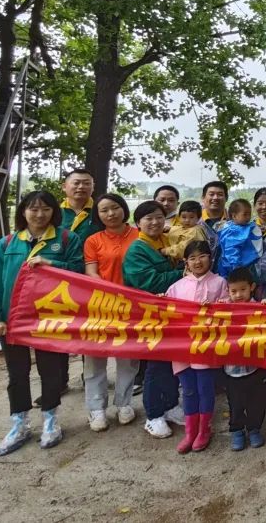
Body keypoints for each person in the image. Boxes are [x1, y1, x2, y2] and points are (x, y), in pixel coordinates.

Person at [0, 191, 84, 456]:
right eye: (33, 209)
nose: (40, 215)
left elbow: (79, 272)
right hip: (13, 319)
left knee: (50, 371)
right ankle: (20, 423)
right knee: (17, 373)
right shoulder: (7, 243)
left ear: (54, 212)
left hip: (51, 318)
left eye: (46, 209)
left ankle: (51, 419)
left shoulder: (66, 238)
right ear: (23, 211)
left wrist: (51, 262)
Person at [122, 200, 184, 439]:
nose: (155, 222)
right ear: (138, 223)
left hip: (172, 313)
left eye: (159, 217)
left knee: (172, 361)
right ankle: (153, 414)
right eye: (148, 218)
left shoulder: (166, 242)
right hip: (150, 314)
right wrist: (182, 274)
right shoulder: (137, 249)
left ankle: (170, 405)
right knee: (155, 365)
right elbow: (149, 282)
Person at [82, 193, 140, 431]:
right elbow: (91, 272)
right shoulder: (93, 240)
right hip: (101, 306)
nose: (110, 213)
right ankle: (96, 409)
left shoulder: (140, 235)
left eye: (115, 207)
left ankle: (124, 404)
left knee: (128, 358)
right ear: (98, 215)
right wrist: (112, 291)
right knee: (95, 359)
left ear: (124, 208)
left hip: (133, 306)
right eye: (104, 210)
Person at [165, 241, 229, 454]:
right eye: (192, 258)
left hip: (206, 346)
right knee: (188, 389)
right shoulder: (177, 287)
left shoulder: (220, 283)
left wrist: (216, 308)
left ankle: (204, 430)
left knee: (205, 388)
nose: (197, 261)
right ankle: (190, 432)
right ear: (186, 262)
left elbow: (229, 311)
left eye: (202, 256)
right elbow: (166, 312)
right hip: (182, 347)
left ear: (210, 258)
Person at [224, 267, 266, 451]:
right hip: (231, 370)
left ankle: (254, 429)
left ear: (252, 287)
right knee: (235, 403)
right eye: (233, 291)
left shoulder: (259, 308)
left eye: (243, 289)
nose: (238, 295)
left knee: (256, 402)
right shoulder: (223, 309)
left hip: (254, 367)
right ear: (228, 291)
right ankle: (237, 431)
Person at [216, 199, 262, 278]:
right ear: (234, 216)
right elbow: (231, 250)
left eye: (249, 214)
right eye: (245, 214)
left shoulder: (241, 226)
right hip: (235, 268)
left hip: (244, 266)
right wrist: (236, 268)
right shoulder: (232, 231)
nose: (248, 217)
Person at [60, 168, 97, 245]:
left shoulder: (100, 211)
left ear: (93, 187)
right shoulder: (55, 212)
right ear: (64, 187)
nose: (81, 187)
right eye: (76, 183)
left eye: (87, 183)